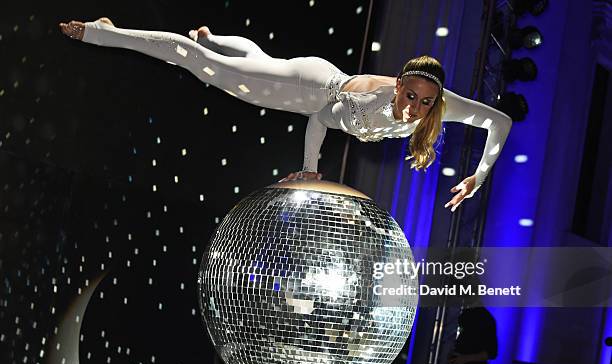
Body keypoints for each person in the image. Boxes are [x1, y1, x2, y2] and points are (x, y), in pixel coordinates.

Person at [59, 18, 512, 212]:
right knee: (198, 62)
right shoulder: (374, 99)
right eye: (410, 95)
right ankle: (106, 33)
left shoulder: (441, 107)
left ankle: (215, 37)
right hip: (310, 86)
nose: (415, 107)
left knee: (258, 61)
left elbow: (500, 122)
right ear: (398, 84)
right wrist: (310, 170)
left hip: (297, 86)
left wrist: (479, 176)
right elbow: (322, 118)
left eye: (425, 102)